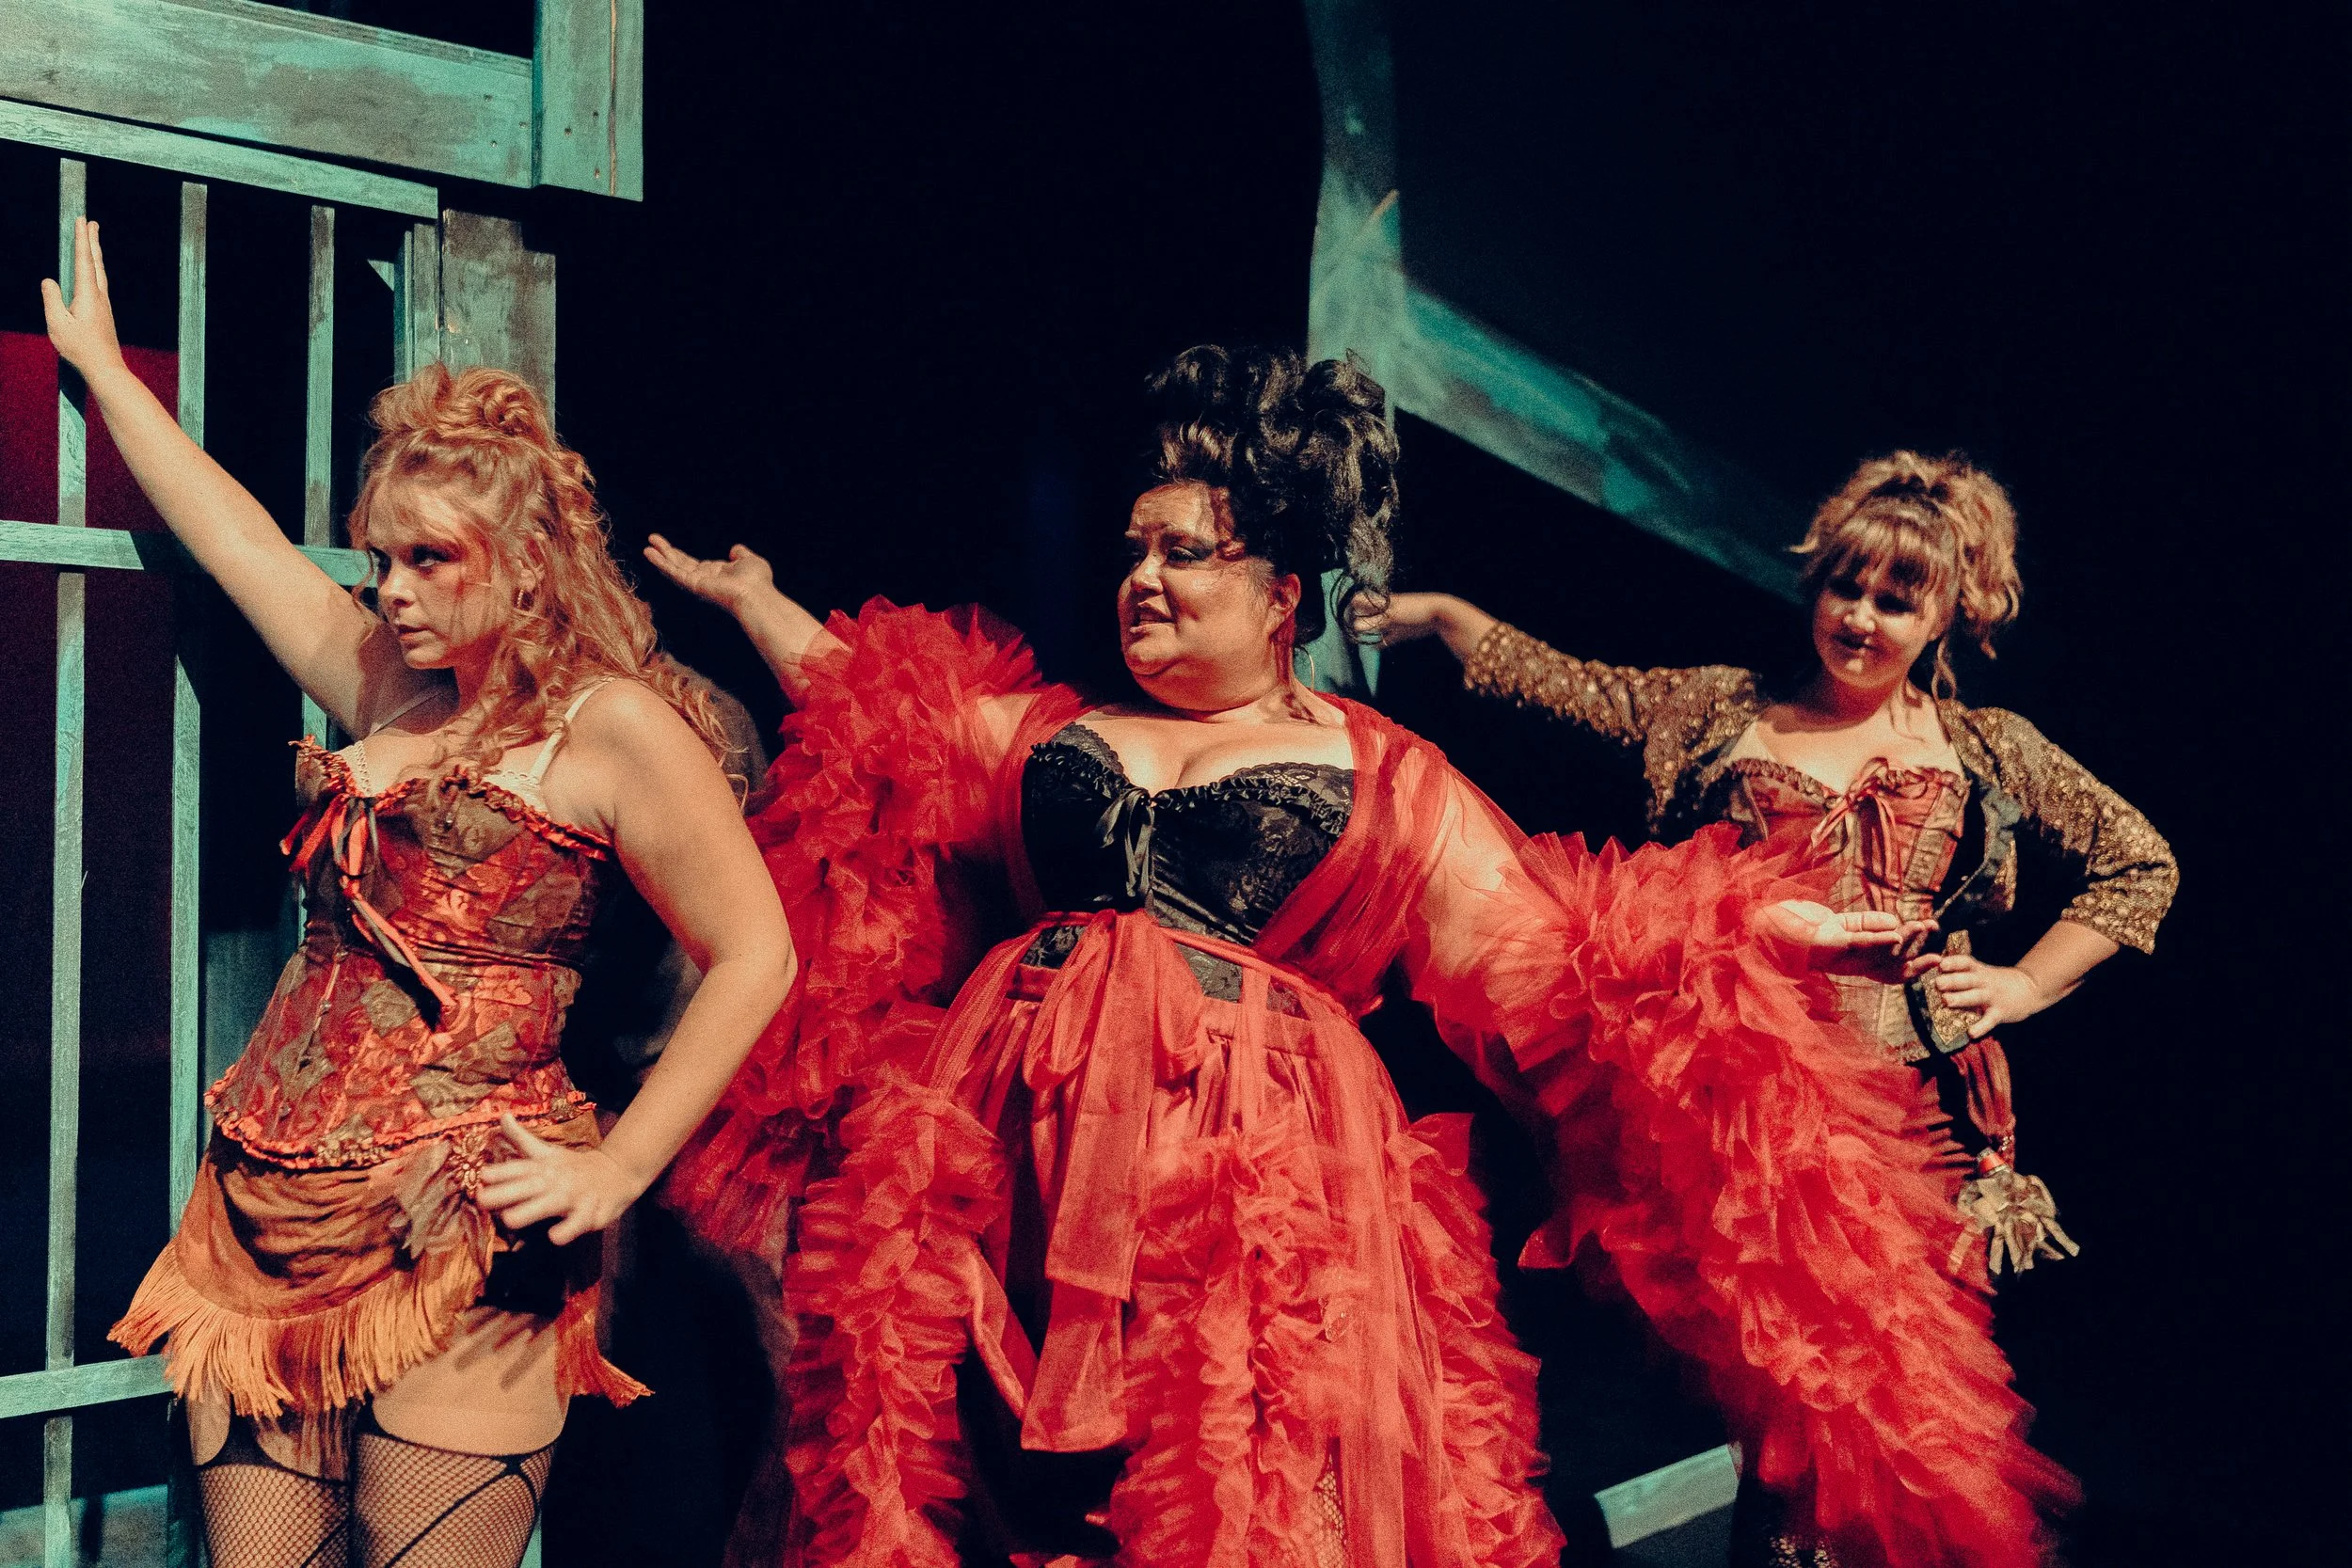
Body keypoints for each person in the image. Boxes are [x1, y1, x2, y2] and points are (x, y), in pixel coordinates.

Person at [648, 348, 2072, 1568]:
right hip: (1004, 1159)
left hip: (1241, 1174)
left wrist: (1766, 918)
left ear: (1282, 588)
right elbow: (891, 710)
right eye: (1132, 548)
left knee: (1225, 1480)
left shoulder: (1380, 775)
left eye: (1182, 551)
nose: (1140, 576)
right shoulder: (1055, 731)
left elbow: (1554, 948)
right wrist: (765, 606)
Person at [43, 220, 797, 1568]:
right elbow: (244, 543)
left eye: (429, 559)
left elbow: (754, 951)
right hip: (265, 1202)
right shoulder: (387, 686)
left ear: (524, 563)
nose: (389, 590)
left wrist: (619, 1164)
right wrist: (106, 373)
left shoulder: (610, 725)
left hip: (464, 1214)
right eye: (382, 558)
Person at [1381, 451, 2175, 1563]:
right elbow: (1558, 678)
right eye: (1845, 586)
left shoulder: (1985, 748)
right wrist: (1439, 612)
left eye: (1896, 600)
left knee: (1903, 1405)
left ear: (1948, 614)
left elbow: (2138, 863)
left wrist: (2020, 983)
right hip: (1755, 1112)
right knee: (1788, 1408)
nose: (1858, 616)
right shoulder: (1722, 710)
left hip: (1916, 1118)